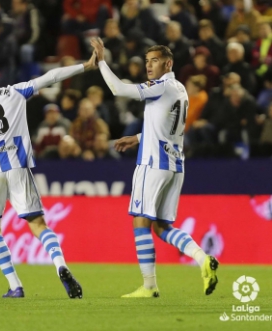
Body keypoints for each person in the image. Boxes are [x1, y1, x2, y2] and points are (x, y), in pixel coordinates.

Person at [0, 55, 97, 299]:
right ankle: (61, 265)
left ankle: (15, 286)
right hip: (18, 166)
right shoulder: (14, 92)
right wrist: (84, 65)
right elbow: (50, 77)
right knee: (38, 224)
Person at [91, 38, 219, 298]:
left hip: (153, 164)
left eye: (155, 61)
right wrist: (138, 138)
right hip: (175, 165)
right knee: (161, 227)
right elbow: (165, 125)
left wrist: (102, 61)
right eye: (147, 61)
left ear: (168, 63)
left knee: (140, 221)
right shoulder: (179, 88)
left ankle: (149, 286)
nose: (149, 66)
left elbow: (118, 89)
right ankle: (202, 258)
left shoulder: (160, 86)